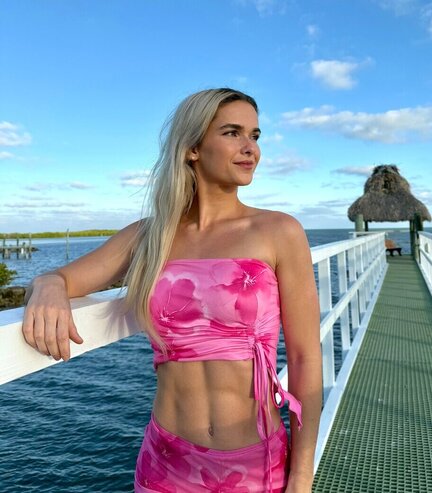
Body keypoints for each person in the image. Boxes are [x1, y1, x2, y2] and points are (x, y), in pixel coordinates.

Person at [22, 88, 322, 492]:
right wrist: (47, 285)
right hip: (165, 465)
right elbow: (61, 277)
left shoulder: (279, 232)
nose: (250, 147)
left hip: (255, 466)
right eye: (232, 133)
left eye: (255, 135)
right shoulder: (151, 235)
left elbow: (304, 359)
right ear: (192, 148)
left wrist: (301, 476)